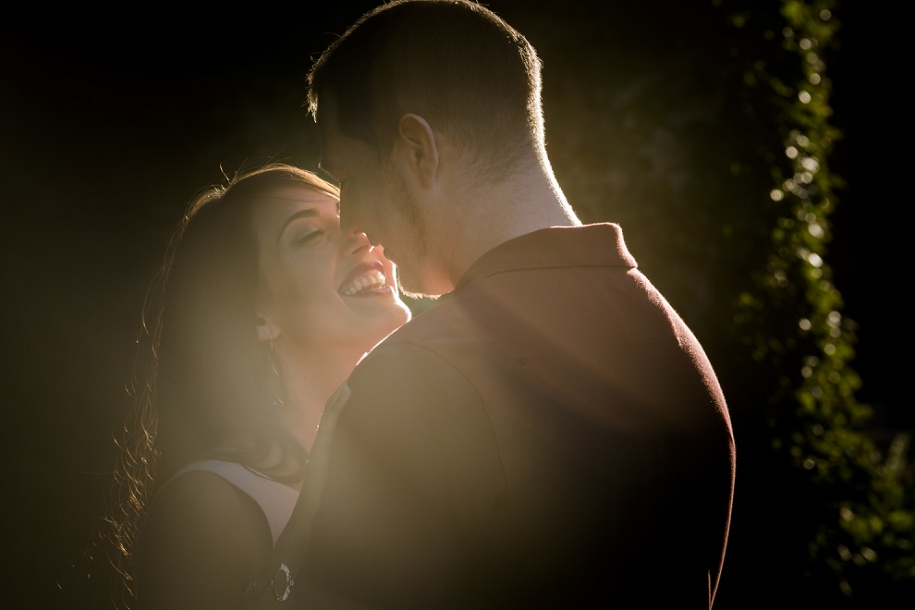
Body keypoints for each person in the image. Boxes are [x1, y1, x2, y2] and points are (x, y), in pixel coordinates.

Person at [252, 1, 736, 608]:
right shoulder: (679, 351)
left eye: (349, 175)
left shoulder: (420, 375)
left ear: (417, 150)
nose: (353, 219)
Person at [106, 164, 410, 610]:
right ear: (257, 318)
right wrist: (307, 526)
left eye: (351, 217)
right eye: (312, 235)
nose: (361, 236)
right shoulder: (206, 508)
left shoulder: (397, 469)